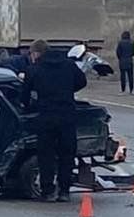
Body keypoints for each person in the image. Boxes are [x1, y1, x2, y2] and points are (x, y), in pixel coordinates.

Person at [21, 39, 87, 202]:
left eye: (31, 54)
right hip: (67, 115)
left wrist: (29, 105)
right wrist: (67, 90)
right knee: (67, 154)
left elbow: (24, 96)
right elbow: (82, 81)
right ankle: (64, 191)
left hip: (46, 117)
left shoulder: (34, 69)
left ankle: (48, 191)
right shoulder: (69, 65)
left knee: (46, 155)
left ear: (36, 53)